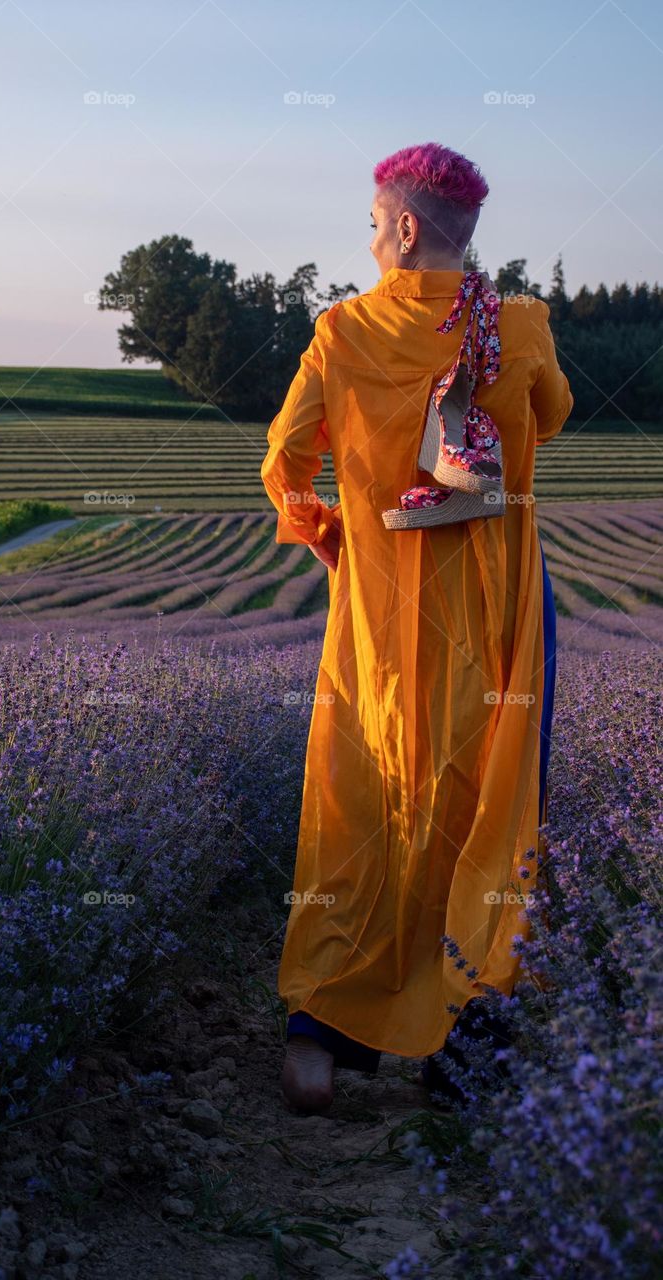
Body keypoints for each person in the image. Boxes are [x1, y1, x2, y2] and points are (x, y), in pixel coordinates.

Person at [260, 141, 572, 1113]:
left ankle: (327, 1035)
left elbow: (284, 459)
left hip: (382, 615)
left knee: (363, 795)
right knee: (493, 805)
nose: (368, 241)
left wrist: (325, 535)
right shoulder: (516, 324)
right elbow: (551, 418)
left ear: (400, 226)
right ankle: (469, 1046)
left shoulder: (341, 331)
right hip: (500, 613)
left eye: (370, 225)